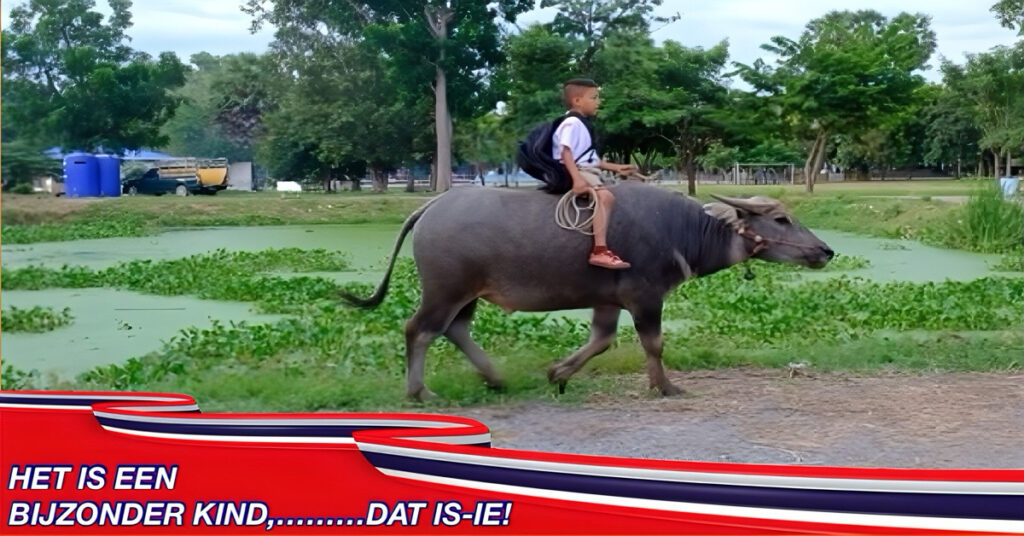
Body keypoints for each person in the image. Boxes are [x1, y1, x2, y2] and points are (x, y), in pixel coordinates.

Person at [554, 78, 636, 269]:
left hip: (586, 168)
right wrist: (577, 180)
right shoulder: (572, 123)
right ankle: (599, 251)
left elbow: (589, 158)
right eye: (594, 97)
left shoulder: (582, 124)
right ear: (577, 101)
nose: (598, 102)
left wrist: (616, 167)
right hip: (578, 171)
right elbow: (566, 152)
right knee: (605, 197)